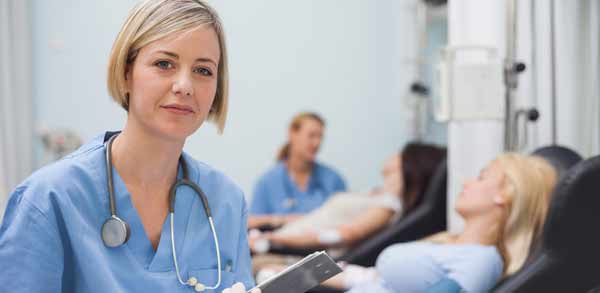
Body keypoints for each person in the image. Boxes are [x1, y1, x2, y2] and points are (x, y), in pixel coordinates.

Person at [0, 1, 257, 292]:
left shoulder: (226, 202)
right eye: (164, 64)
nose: (185, 85)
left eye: (203, 70)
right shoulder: (49, 200)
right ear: (126, 73)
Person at [321, 153, 557, 292]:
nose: (466, 183)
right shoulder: (448, 243)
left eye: (481, 177)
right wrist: (302, 275)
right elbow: (379, 281)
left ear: (505, 195)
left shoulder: (481, 260)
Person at [250, 143, 446, 255]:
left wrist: (273, 240)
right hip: (280, 240)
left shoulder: (388, 205)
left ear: (407, 163)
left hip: (288, 252)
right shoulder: (376, 195)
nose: (394, 154)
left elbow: (342, 235)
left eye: (401, 153)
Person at [249, 112, 346, 229]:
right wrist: (283, 220)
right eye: (311, 136)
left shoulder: (333, 180)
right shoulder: (267, 182)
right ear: (292, 134)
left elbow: (347, 220)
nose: (317, 143)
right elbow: (251, 224)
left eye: (320, 137)